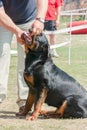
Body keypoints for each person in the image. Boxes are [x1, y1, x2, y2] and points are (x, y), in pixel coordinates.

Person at [0, 0, 48, 111]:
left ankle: (24, 102)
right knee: (1, 56)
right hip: (3, 20)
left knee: (28, 62)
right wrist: (17, 31)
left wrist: (40, 19)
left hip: (28, 19)